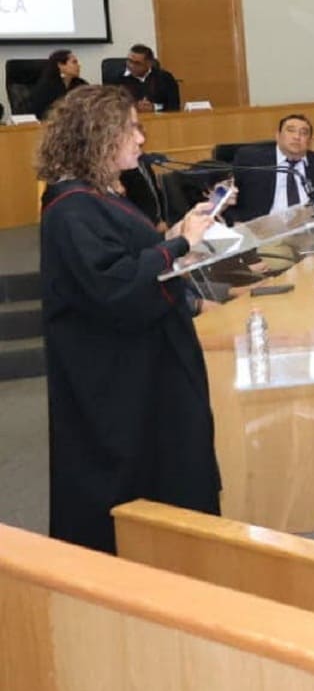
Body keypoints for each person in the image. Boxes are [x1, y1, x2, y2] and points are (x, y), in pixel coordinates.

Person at [36, 85, 220, 552]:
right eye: (132, 129)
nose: (141, 139)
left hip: (144, 366)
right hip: (115, 380)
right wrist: (178, 245)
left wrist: (180, 233)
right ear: (99, 135)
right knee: (129, 485)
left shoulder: (97, 197)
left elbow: (133, 255)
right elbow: (114, 286)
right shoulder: (70, 207)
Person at [228, 113, 314, 222]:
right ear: (278, 136)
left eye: (304, 133)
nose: (297, 137)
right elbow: (228, 199)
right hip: (263, 230)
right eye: (291, 130)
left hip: (309, 228)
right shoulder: (252, 160)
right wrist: (235, 222)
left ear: (309, 141)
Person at [119, 44, 181, 113]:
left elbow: (174, 105)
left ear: (149, 63)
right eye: (129, 61)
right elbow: (113, 106)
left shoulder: (165, 78)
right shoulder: (117, 79)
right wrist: (134, 107)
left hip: (157, 118)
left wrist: (154, 107)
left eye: (137, 63)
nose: (131, 66)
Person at [25, 49, 87, 118]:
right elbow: (41, 114)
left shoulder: (81, 84)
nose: (78, 66)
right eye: (74, 62)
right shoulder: (46, 87)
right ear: (60, 65)